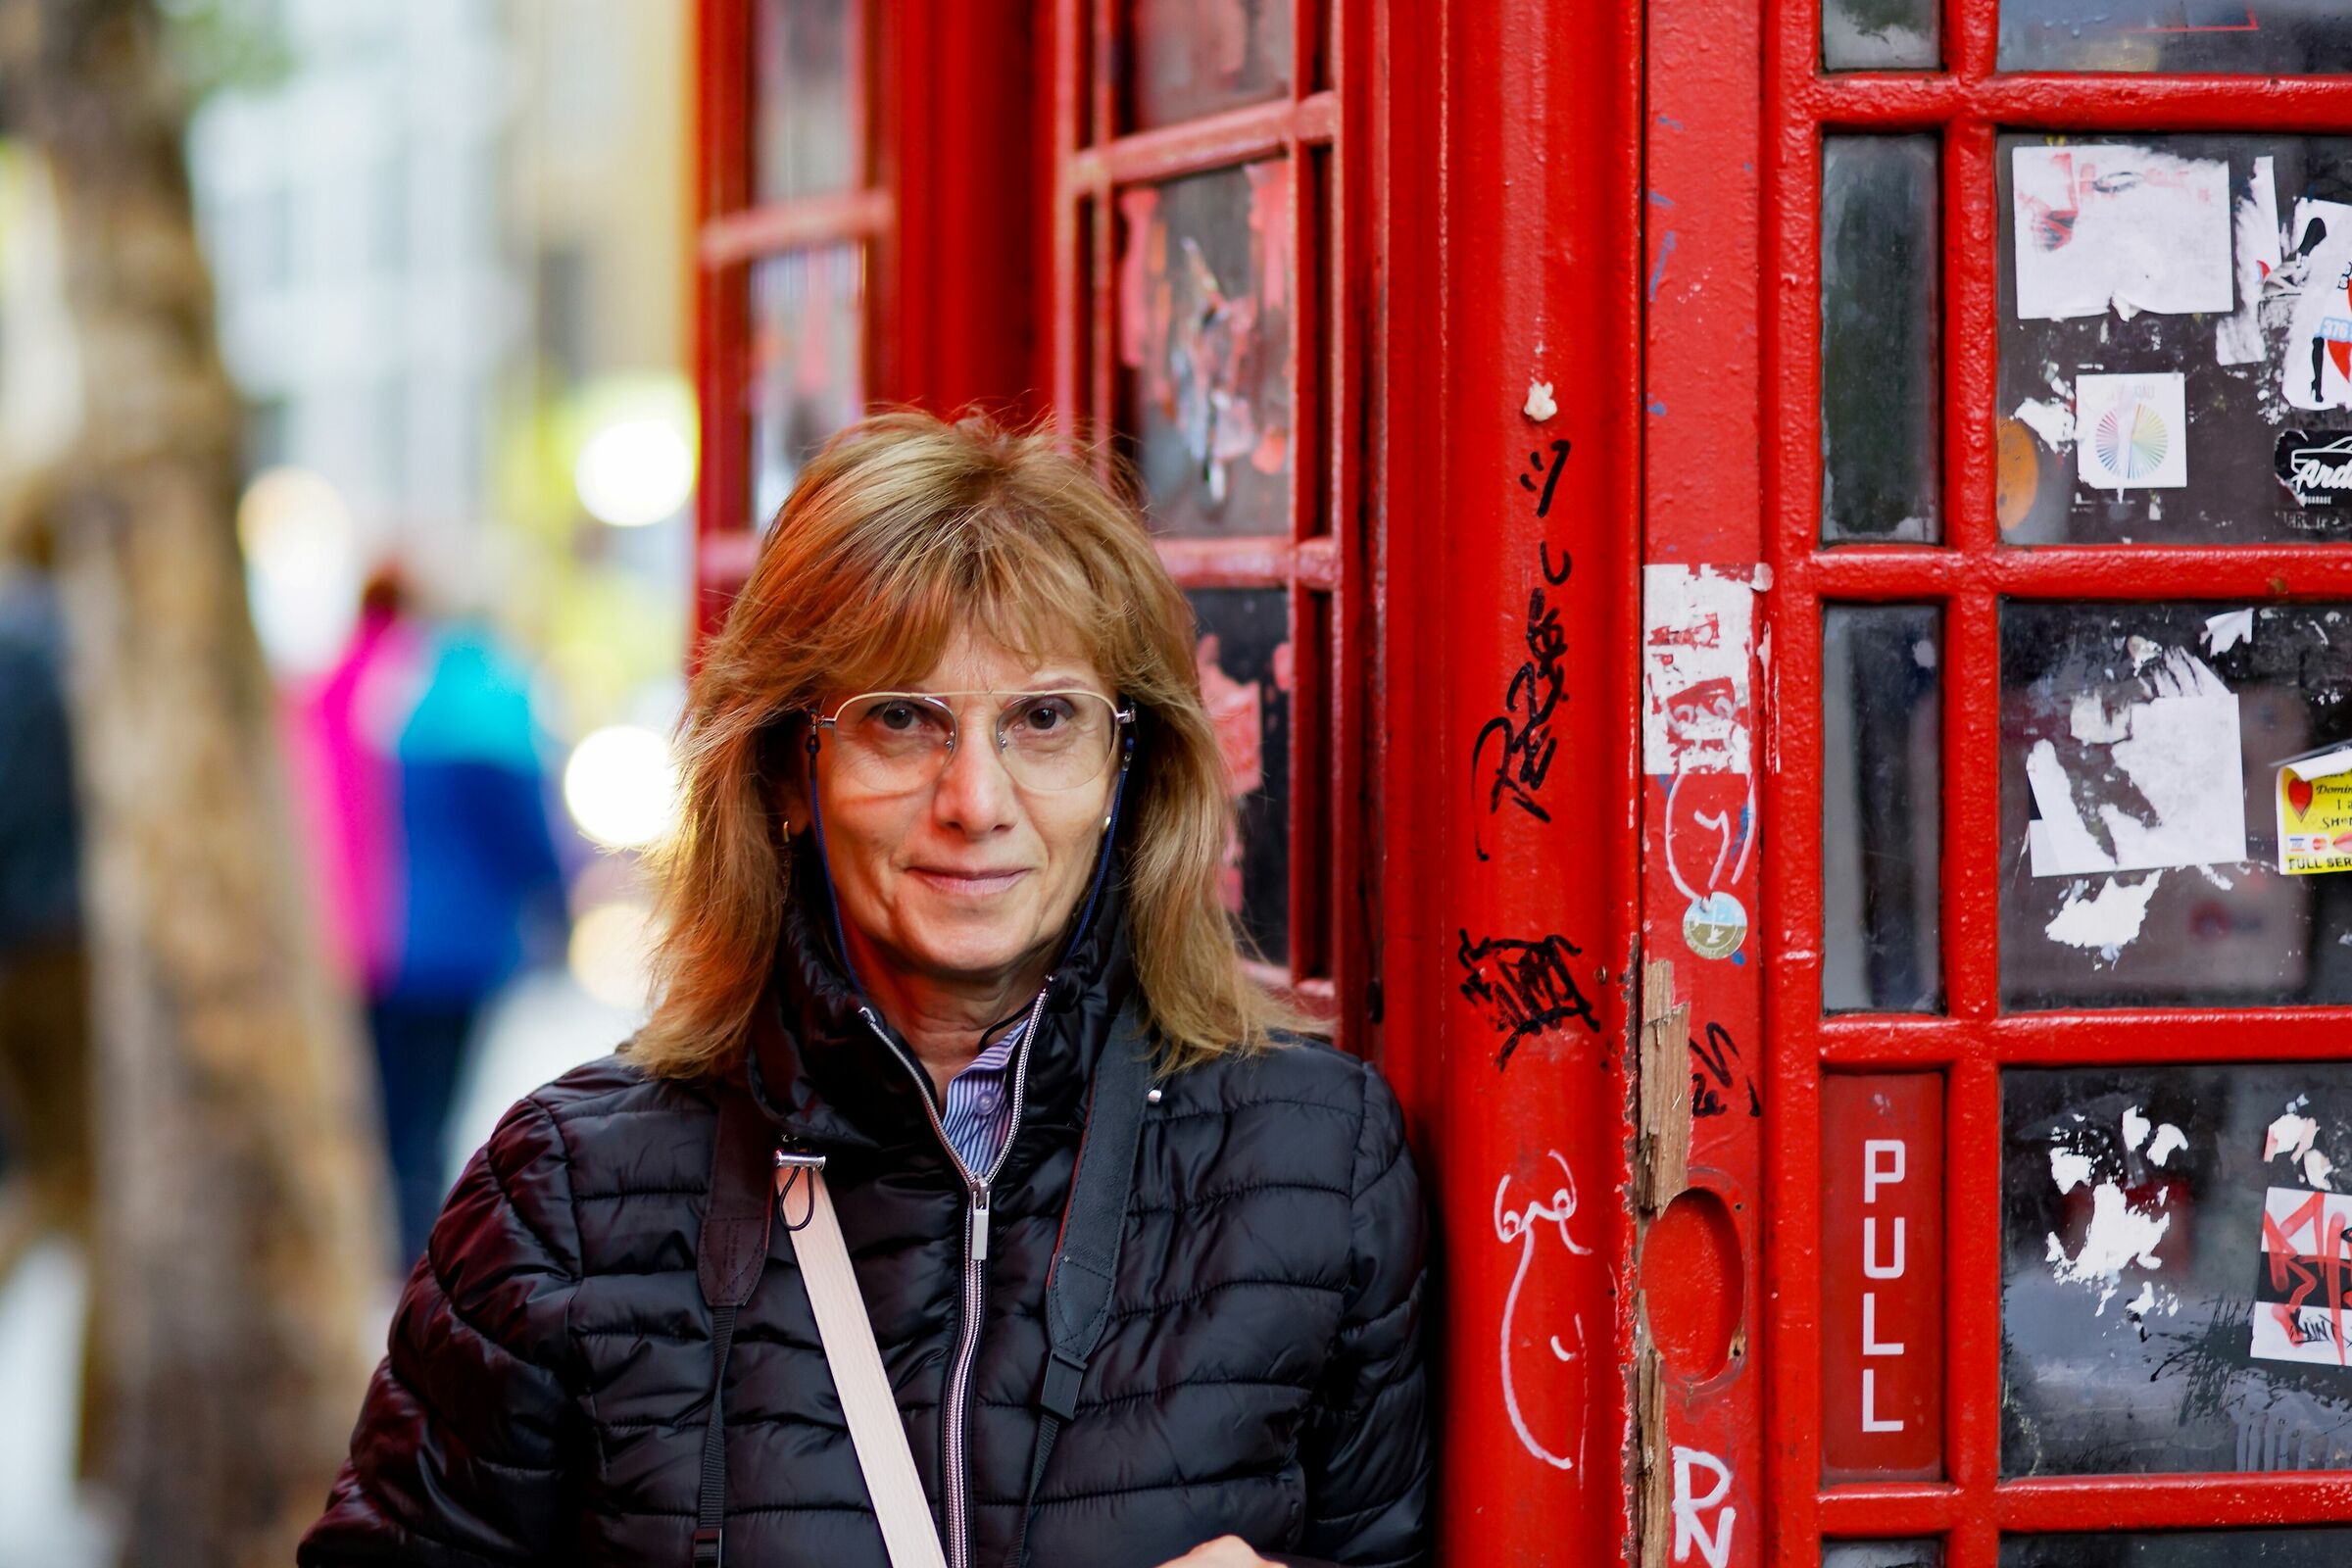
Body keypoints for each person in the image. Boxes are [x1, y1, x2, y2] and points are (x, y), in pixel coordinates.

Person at [298, 411, 1431, 1568]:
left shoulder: (1317, 1163)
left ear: (1124, 771)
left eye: (1043, 719)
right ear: (793, 765)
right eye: (902, 718)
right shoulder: (566, 1200)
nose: (976, 799)